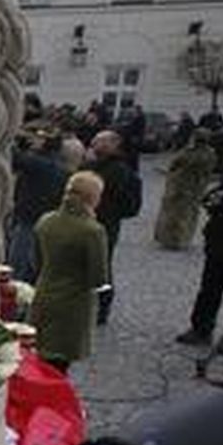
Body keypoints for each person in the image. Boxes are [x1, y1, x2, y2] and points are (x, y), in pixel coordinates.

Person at [31, 171, 109, 372]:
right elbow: (97, 277)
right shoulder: (92, 231)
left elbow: (35, 261)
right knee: (60, 363)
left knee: (39, 357)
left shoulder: (46, 220)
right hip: (73, 305)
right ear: (92, 198)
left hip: (44, 293)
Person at [175, 140, 223, 351]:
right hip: (218, 241)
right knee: (209, 289)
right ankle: (201, 329)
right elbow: (210, 198)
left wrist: (221, 201)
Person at [82, 130, 140, 326]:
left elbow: (127, 203)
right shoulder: (99, 166)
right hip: (93, 222)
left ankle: (102, 308)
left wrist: (108, 210)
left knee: (101, 267)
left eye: (98, 142)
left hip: (104, 224)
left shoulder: (118, 171)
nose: (93, 145)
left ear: (112, 145)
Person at [8, 133, 67, 281]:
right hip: (41, 216)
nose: (32, 140)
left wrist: (8, 138)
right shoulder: (57, 163)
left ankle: (17, 292)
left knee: (19, 260)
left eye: (38, 137)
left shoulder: (41, 163)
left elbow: (15, 158)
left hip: (30, 217)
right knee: (31, 259)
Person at [154, 130, 218, 251]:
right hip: (196, 188)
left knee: (174, 214)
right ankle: (183, 239)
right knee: (190, 214)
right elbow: (209, 171)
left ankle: (172, 240)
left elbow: (175, 163)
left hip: (180, 186)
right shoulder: (211, 153)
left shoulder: (189, 152)